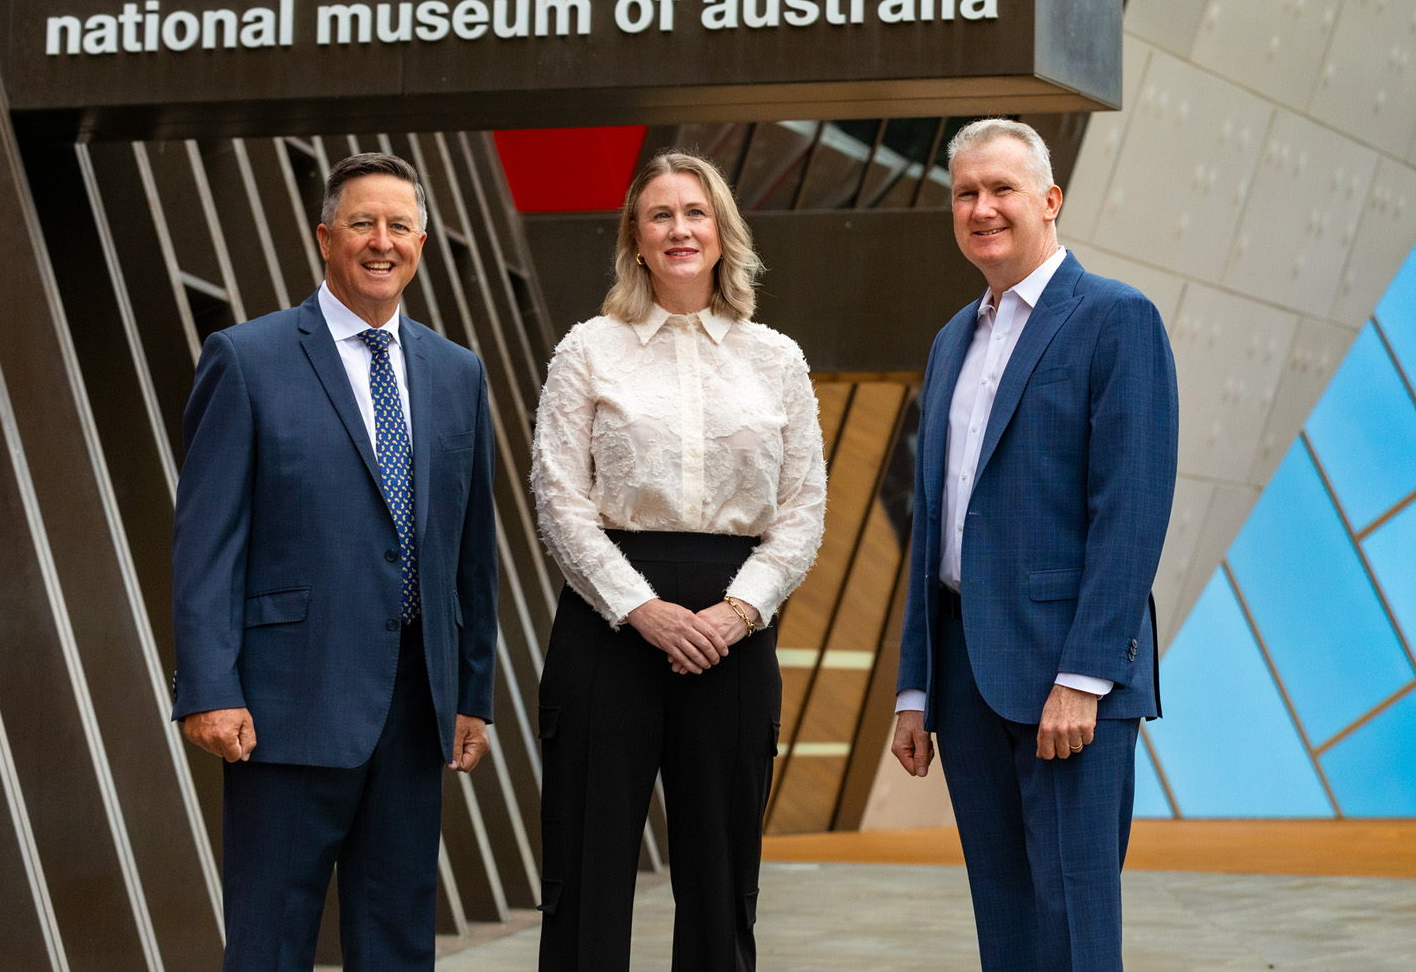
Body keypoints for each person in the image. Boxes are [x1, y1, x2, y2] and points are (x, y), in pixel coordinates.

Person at [170, 151, 499, 971]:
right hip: (284, 708)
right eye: (363, 223)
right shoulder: (247, 359)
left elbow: (471, 548)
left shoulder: (458, 374)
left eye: (399, 226)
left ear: (421, 243)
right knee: (270, 941)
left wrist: (472, 692)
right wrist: (209, 688)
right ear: (325, 238)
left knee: (396, 942)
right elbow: (206, 542)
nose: (381, 241)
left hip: (417, 706)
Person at [890, 118, 1177, 970]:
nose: (982, 208)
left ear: (1051, 201)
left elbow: (1131, 511)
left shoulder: (1117, 320)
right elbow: (935, 522)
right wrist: (915, 686)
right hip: (967, 675)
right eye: (966, 193)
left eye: (1001, 189)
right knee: (1007, 928)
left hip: (1066, 683)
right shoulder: (952, 340)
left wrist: (1085, 676)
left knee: (1076, 930)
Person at [530, 149, 826, 971]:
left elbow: (804, 510)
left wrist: (738, 613)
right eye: (660, 214)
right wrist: (640, 609)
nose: (679, 229)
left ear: (723, 231)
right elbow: (558, 499)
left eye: (695, 213)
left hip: (734, 636)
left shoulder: (777, 359)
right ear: (635, 236)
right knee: (585, 878)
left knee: (722, 881)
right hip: (608, 629)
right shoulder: (589, 349)